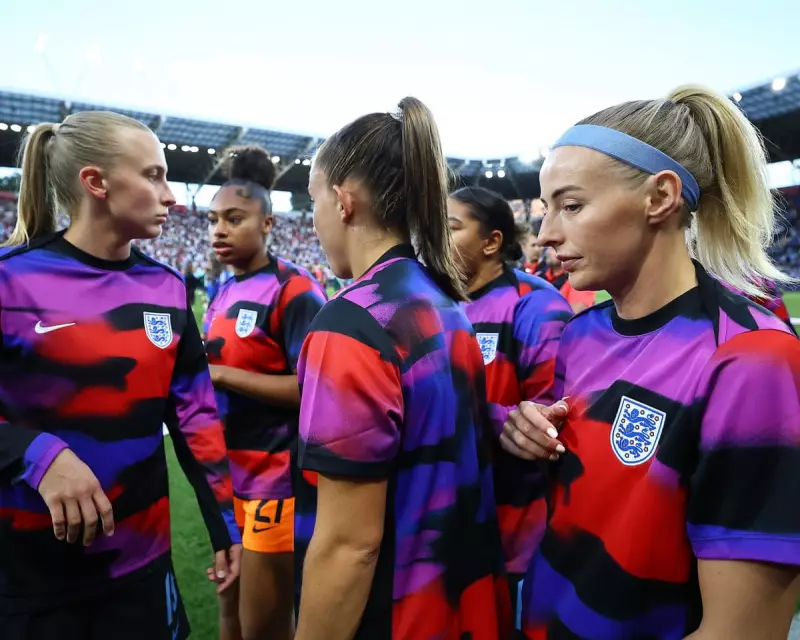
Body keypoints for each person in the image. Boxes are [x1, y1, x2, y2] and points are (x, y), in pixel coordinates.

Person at [501, 86, 800, 639]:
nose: (545, 235)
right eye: (547, 209)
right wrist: (530, 434)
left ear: (660, 197)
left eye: (571, 206)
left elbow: (742, 631)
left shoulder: (751, 359)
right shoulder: (580, 334)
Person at [0, 112, 241, 640]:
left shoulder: (168, 290)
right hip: (28, 578)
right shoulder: (10, 282)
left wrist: (225, 524)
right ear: (96, 183)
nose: (171, 196)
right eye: (153, 176)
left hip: (143, 571)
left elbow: (196, 420)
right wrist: (36, 453)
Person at [295, 97, 510, 639]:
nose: (313, 219)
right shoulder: (445, 304)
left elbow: (349, 546)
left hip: (396, 616)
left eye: (313, 200)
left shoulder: (351, 324)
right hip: (459, 608)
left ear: (343, 201)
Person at [204, 145, 326, 640]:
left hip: (274, 481)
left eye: (235, 219)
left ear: (268, 223)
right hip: (228, 478)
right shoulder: (224, 290)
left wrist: (222, 376)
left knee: (264, 627)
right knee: (230, 610)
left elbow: (316, 389)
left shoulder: (294, 289)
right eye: (213, 219)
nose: (219, 230)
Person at [447, 186, 573, 625]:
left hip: (516, 531)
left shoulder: (535, 304)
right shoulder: (435, 304)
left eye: (451, 228)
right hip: (446, 526)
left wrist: (461, 417)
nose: (437, 240)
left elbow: (553, 418)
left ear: (491, 242)